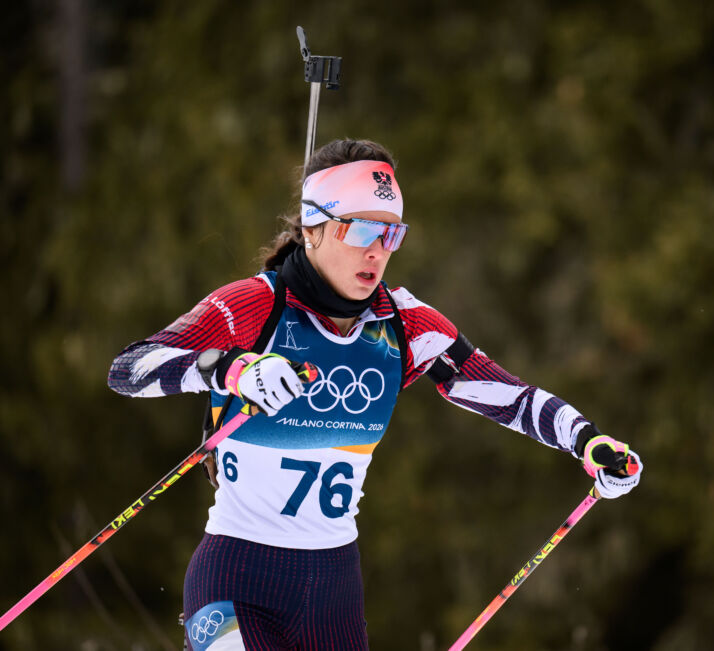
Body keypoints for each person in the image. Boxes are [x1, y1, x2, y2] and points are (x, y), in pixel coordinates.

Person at [107, 138, 643, 650]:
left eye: (392, 234)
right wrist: (231, 369)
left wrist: (588, 442)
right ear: (313, 226)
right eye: (364, 230)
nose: (379, 251)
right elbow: (129, 368)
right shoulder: (253, 307)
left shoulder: (404, 326)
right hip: (238, 575)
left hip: (333, 588)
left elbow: (512, 397)